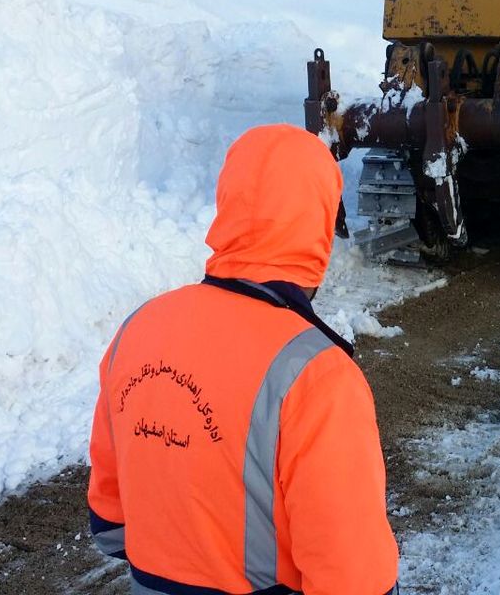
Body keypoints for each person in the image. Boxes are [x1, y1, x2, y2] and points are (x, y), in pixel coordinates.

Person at [87, 124, 399, 595]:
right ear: (318, 223)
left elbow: (110, 523)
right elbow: (356, 579)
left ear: (229, 202)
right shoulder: (317, 374)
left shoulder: (137, 330)